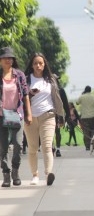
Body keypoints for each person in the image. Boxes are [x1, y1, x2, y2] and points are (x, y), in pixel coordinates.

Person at [24, 53, 64, 186]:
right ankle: (35, 175)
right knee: (33, 148)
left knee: (47, 146)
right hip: (30, 117)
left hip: (48, 115)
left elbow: (57, 98)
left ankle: (48, 174)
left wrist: (61, 116)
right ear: (32, 65)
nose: (38, 66)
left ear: (44, 64)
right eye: (35, 63)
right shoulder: (26, 79)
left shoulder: (50, 79)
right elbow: (21, 97)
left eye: (40, 63)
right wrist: (30, 93)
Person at [0, 47, 32, 187]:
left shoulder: (19, 75)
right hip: (1, 116)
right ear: (0, 60)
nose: (8, 59)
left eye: (10, 57)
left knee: (19, 144)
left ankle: (15, 171)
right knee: (3, 147)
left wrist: (28, 113)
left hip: (17, 114)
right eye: (5, 57)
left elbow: (25, 95)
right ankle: (6, 174)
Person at [76, 85, 94, 151]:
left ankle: (87, 146)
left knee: (86, 132)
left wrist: (82, 95)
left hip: (84, 117)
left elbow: (77, 103)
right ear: (90, 90)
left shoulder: (82, 97)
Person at [53, 74, 70, 157]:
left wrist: (68, 114)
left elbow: (65, 103)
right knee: (50, 132)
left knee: (57, 131)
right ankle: (52, 147)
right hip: (48, 113)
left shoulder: (61, 90)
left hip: (58, 114)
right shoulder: (46, 90)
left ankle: (58, 149)